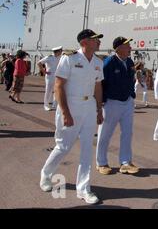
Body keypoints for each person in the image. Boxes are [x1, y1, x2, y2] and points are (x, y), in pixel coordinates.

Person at [40, 29, 104, 205]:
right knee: (63, 146)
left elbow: (98, 88)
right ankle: (46, 175)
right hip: (71, 106)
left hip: (89, 106)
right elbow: (59, 86)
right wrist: (66, 112)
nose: (98, 42)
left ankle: (83, 189)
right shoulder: (69, 58)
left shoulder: (98, 62)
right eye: (95, 39)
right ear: (84, 42)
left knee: (87, 149)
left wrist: (99, 110)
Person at [96, 37, 140, 175]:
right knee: (105, 134)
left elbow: (132, 79)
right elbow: (100, 83)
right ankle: (101, 162)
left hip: (127, 102)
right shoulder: (109, 63)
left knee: (127, 133)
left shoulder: (130, 61)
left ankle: (125, 162)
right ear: (119, 48)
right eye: (128, 46)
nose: (130, 48)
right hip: (112, 103)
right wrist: (101, 103)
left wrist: (132, 94)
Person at [38, 46, 63, 111]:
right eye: (60, 51)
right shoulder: (49, 57)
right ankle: (46, 105)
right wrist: (44, 71)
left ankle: (55, 104)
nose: (61, 52)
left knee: (56, 90)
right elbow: (39, 63)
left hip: (57, 76)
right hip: (50, 76)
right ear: (57, 51)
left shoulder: (60, 57)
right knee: (48, 91)